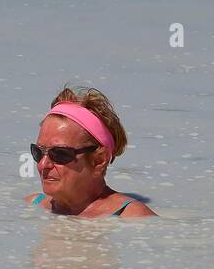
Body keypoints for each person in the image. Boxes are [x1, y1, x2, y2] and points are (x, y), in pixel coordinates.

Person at [25, 86, 155, 218]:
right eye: (38, 152)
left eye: (59, 154)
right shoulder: (33, 204)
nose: (43, 164)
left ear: (98, 160)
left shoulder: (133, 216)